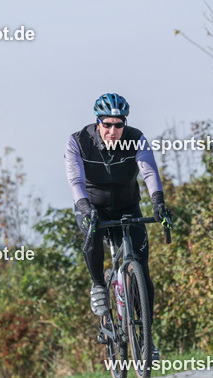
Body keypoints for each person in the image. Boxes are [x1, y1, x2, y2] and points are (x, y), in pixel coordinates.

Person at [64, 93, 168, 360]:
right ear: (97, 122)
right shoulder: (78, 141)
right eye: (107, 124)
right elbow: (75, 181)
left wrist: (158, 202)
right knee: (92, 233)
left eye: (118, 125)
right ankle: (99, 285)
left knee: (142, 273)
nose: (113, 131)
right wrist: (86, 209)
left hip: (127, 206)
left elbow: (148, 171)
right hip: (91, 206)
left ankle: (146, 339)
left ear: (125, 123)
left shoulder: (136, 138)